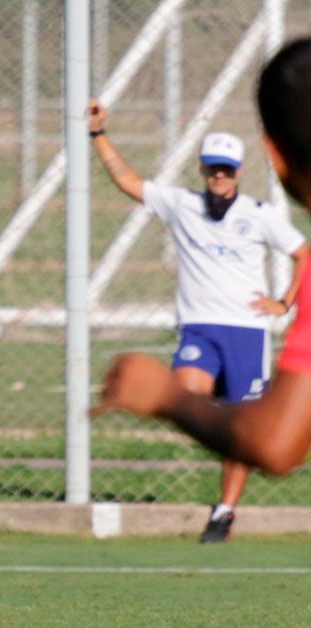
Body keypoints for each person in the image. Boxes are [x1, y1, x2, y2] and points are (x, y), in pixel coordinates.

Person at [94, 37, 311, 490]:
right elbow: (130, 181)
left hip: (244, 328)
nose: (219, 176)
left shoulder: (260, 216)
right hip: (202, 324)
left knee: (238, 407)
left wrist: (165, 396)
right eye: (213, 168)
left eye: (226, 169)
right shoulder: (183, 205)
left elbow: (275, 441)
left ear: (271, 155)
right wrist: (99, 138)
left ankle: (225, 509)